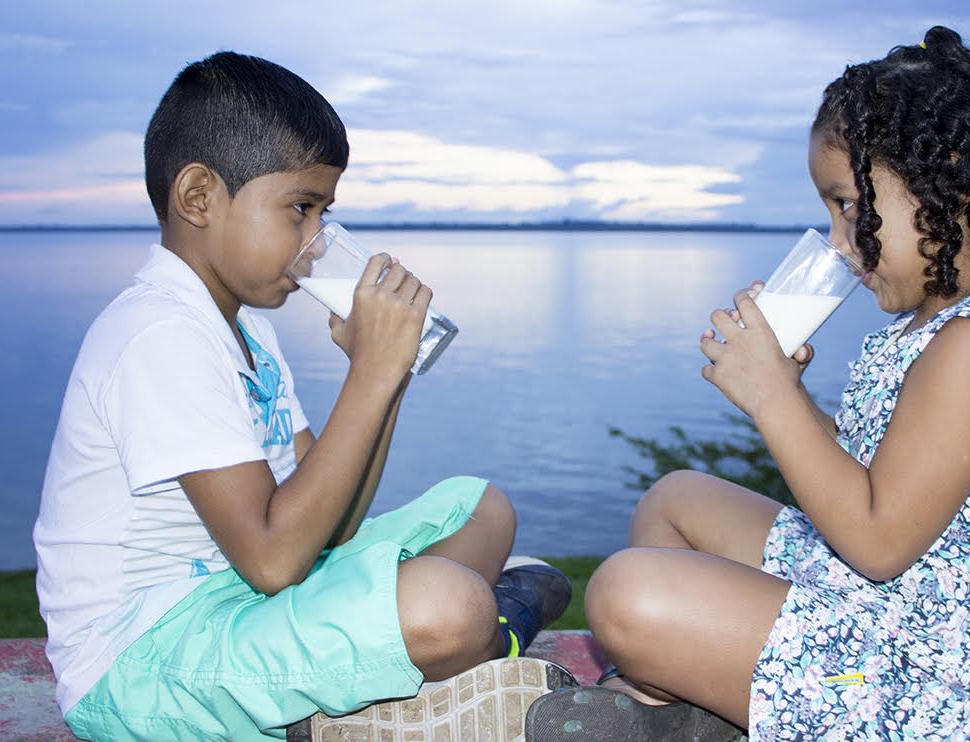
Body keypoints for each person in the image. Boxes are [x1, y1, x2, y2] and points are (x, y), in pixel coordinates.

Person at [525, 26, 970, 741]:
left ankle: (680, 699)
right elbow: (871, 486)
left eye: (849, 204)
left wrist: (773, 399)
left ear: (949, 182)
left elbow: (879, 541)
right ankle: (692, 701)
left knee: (627, 592)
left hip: (940, 672)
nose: (841, 242)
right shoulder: (933, 328)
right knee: (676, 501)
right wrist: (793, 397)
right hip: (899, 603)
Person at [33, 51, 573, 742]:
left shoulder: (247, 333)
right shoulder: (158, 333)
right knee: (447, 606)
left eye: (323, 213)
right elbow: (274, 559)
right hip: (146, 664)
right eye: (300, 209)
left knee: (483, 509)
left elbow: (334, 525)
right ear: (198, 196)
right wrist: (367, 375)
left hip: (244, 604)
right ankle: (482, 645)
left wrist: (390, 375)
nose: (316, 245)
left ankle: (420, 662)